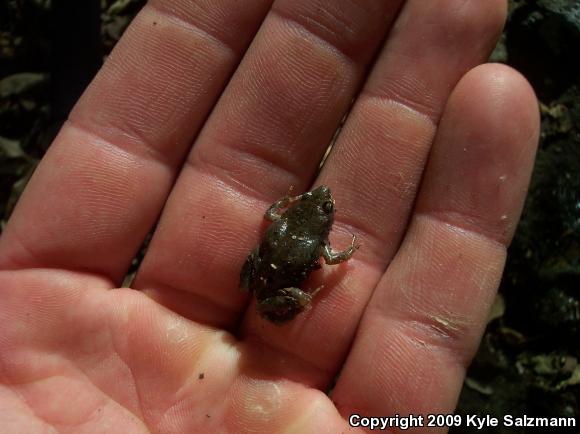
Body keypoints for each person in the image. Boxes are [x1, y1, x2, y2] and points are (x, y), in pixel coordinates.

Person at [0, 0, 539, 431]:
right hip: (276, 267)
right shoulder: (318, 236)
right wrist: (337, 259)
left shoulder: (298, 221)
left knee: (276, 274)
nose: (323, 206)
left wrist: (296, 228)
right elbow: (325, 256)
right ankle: (280, 300)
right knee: (292, 288)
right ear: (314, 214)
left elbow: (274, 220)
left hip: (270, 262)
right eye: (320, 206)